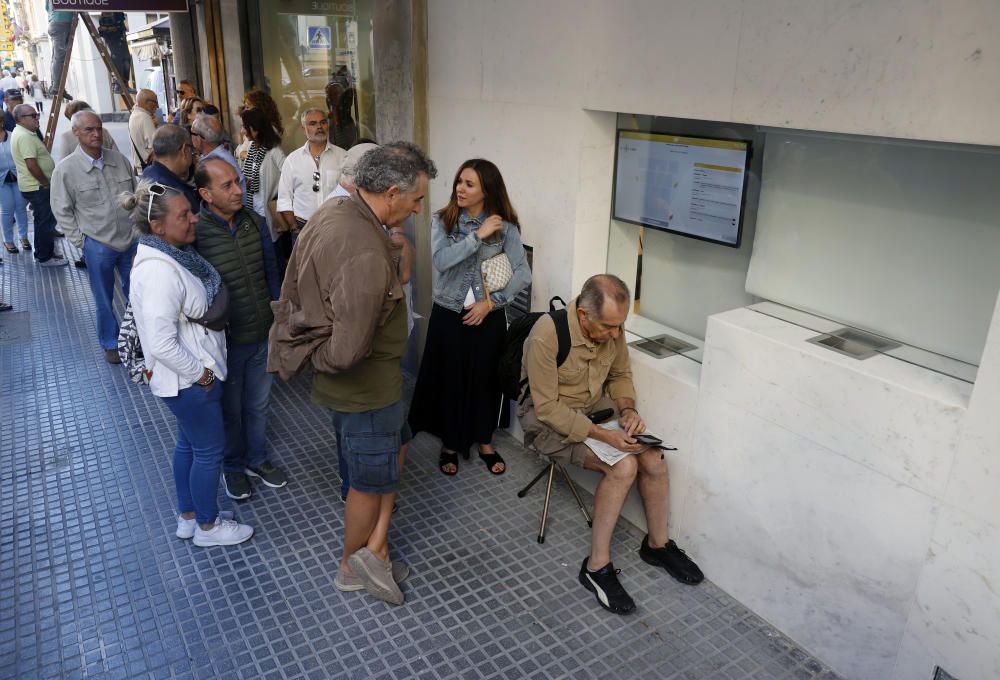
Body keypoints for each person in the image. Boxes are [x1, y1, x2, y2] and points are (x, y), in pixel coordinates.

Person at [268, 142, 437, 604]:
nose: (420, 208)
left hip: (370, 388)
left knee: (384, 466)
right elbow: (346, 350)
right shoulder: (363, 249)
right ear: (390, 192)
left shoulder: (340, 211)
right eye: (416, 199)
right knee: (368, 482)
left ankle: (373, 551)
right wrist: (323, 363)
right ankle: (351, 565)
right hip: (365, 391)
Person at [519, 274, 704, 615]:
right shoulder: (547, 334)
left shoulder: (611, 328)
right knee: (624, 467)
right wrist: (604, 435)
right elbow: (546, 408)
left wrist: (628, 409)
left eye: (620, 327)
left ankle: (657, 545)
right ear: (584, 315)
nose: (616, 335)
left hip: (595, 412)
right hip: (548, 423)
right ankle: (595, 567)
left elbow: (620, 376)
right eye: (609, 327)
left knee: (653, 459)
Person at [123, 180, 254, 547]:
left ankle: (189, 516)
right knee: (209, 452)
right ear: (158, 226)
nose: (194, 219)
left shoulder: (167, 256)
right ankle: (209, 528)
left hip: (183, 381)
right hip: (188, 382)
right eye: (184, 215)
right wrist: (203, 374)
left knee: (188, 446)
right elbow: (162, 342)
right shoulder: (160, 271)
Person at [408, 159, 531, 476]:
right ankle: (450, 443)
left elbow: (522, 273)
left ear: (486, 190)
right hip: (448, 313)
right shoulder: (444, 220)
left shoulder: (507, 229)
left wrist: (491, 304)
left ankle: (485, 440)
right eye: (459, 182)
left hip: (487, 316)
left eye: (469, 184)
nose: (460, 189)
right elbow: (442, 261)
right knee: (450, 378)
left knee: (484, 378)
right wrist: (477, 236)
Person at [193, 158, 286, 500]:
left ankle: (257, 458)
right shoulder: (196, 232)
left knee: (258, 404)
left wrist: (278, 314)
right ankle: (233, 466)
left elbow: (271, 271)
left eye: (238, 182)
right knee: (230, 410)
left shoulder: (255, 222)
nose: (238, 190)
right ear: (205, 194)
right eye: (227, 185)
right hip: (226, 342)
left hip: (262, 333)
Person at [50, 111, 137, 363]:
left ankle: (140, 338)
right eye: (88, 130)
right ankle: (111, 343)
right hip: (98, 245)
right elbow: (62, 210)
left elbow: (135, 196)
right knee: (103, 299)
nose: (95, 134)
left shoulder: (119, 160)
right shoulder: (65, 170)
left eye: (98, 128)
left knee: (139, 294)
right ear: (76, 133)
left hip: (130, 241)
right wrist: (82, 242)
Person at [275, 108, 346, 261]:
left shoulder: (343, 156)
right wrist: (295, 229)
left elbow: (352, 195)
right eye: (313, 123)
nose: (319, 127)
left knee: (337, 276)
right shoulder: (292, 160)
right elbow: (284, 199)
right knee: (307, 278)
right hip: (303, 229)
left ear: (328, 126)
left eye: (322, 122)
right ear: (303, 129)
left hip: (336, 227)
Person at [10, 104, 64, 266]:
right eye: (32, 115)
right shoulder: (25, 136)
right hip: (37, 187)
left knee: (43, 220)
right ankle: (44, 257)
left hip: (34, 186)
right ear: (21, 119)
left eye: (37, 114)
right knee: (44, 222)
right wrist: (45, 182)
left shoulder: (24, 132)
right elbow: (31, 164)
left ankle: (45, 253)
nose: (37, 118)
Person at [238, 109, 285, 240]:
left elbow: (288, 174)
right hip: (251, 209)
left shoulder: (274, 150)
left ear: (254, 129)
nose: (242, 130)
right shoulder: (252, 147)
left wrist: (277, 193)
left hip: (267, 212)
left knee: (272, 252)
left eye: (244, 126)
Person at [142, 125, 199, 213]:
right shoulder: (173, 192)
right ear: (184, 150)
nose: (193, 155)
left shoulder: (148, 172)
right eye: (191, 150)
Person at [190, 114, 244, 194]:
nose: (190, 136)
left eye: (192, 132)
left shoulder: (219, 161)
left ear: (200, 138)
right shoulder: (215, 155)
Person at [0, 124, 30, 254]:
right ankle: (8, 241)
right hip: (1, 181)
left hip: (18, 177)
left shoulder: (13, 136)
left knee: (21, 208)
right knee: (7, 209)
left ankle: (24, 238)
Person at [46, 2, 74, 100]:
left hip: (58, 22)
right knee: (59, 56)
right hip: (60, 22)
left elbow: (47, 8)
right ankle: (57, 87)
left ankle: (58, 86)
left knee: (58, 57)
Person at [129, 89, 160, 171]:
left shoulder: (134, 115)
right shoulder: (145, 118)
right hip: (149, 167)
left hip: (141, 167)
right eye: (155, 102)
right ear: (146, 102)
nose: (157, 106)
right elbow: (156, 146)